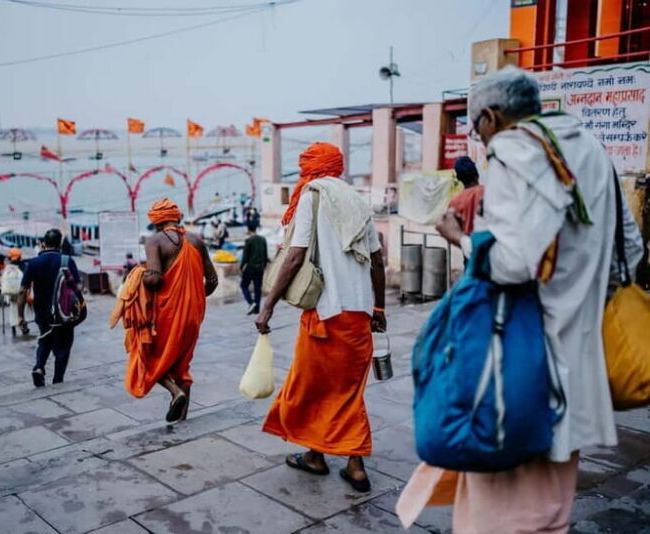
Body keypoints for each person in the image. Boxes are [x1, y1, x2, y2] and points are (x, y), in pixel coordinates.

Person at [397, 66, 644, 533]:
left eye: (477, 129)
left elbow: (514, 262)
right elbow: (629, 250)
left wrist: (461, 239)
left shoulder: (515, 149)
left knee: (498, 515)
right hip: (580, 368)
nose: (480, 140)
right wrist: (582, 297)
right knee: (551, 511)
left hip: (520, 365)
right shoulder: (590, 147)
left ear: (491, 117)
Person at [255, 142, 387, 493]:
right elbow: (377, 260)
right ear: (337, 167)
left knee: (310, 386)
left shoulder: (311, 196)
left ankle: (351, 463)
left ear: (310, 168)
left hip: (326, 314)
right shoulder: (357, 199)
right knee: (346, 390)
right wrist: (379, 309)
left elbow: (295, 255)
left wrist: (267, 305)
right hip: (359, 313)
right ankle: (323, 457)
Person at [112, 198, 218, 423]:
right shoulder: (196, 240)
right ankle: (182, 418)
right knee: (182, 364)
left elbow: (154, 279)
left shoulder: (155, 241)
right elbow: (212, 280)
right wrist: (194, 298)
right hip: (193, 315)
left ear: (156, 221)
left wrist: (139, 275)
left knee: (148, 356)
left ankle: (175, 392)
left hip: (166, 314)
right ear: (176, 217)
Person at [17, 229, 81, 387]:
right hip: (64, 312)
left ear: (43, 244)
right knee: (63, 346)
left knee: (45, 339)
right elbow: (78, 287)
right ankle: (57, 380)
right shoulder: (67, 260)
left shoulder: (33, 263)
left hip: (42, 313)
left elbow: (22, 290)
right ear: (60, 243)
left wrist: (20, 316)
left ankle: (39, 367)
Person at [447, 156, 484, 235]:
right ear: (477, 174)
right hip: (490, 241)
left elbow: (452, 231)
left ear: (458, 178)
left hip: (466, 241)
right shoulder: (488, 193)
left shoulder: (454, 203)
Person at [240, 223, 268, 314]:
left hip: (250, 267)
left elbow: (245, 256)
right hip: (260, 268)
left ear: (248, 230)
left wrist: (241, 267)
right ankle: (257, 309)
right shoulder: (263, 239)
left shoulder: (249, 240)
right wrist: (264, 266)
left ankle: (251, 302)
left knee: (244, 285)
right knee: (257, 288)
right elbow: (265, 254)